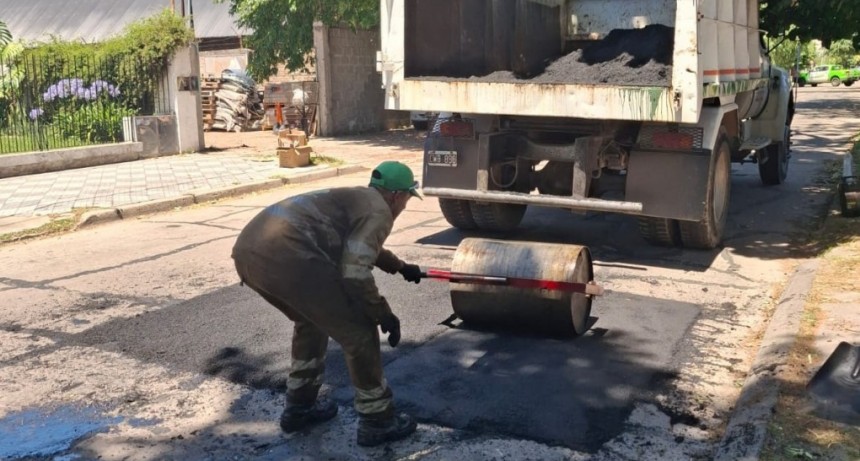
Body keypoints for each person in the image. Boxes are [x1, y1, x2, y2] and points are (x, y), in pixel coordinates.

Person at [232, 161, 423, 447]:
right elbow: (355, 270)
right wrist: (382, 312)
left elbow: (360, 245)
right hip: (290, 258)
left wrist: (399, 266)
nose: (405, 205)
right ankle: (378, 421)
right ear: (396, 195)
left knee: (311, 320)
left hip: (249, 254)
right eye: (408, 198)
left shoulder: (359, 198)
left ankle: (300, 406)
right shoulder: (380, 210)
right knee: (359, 330)